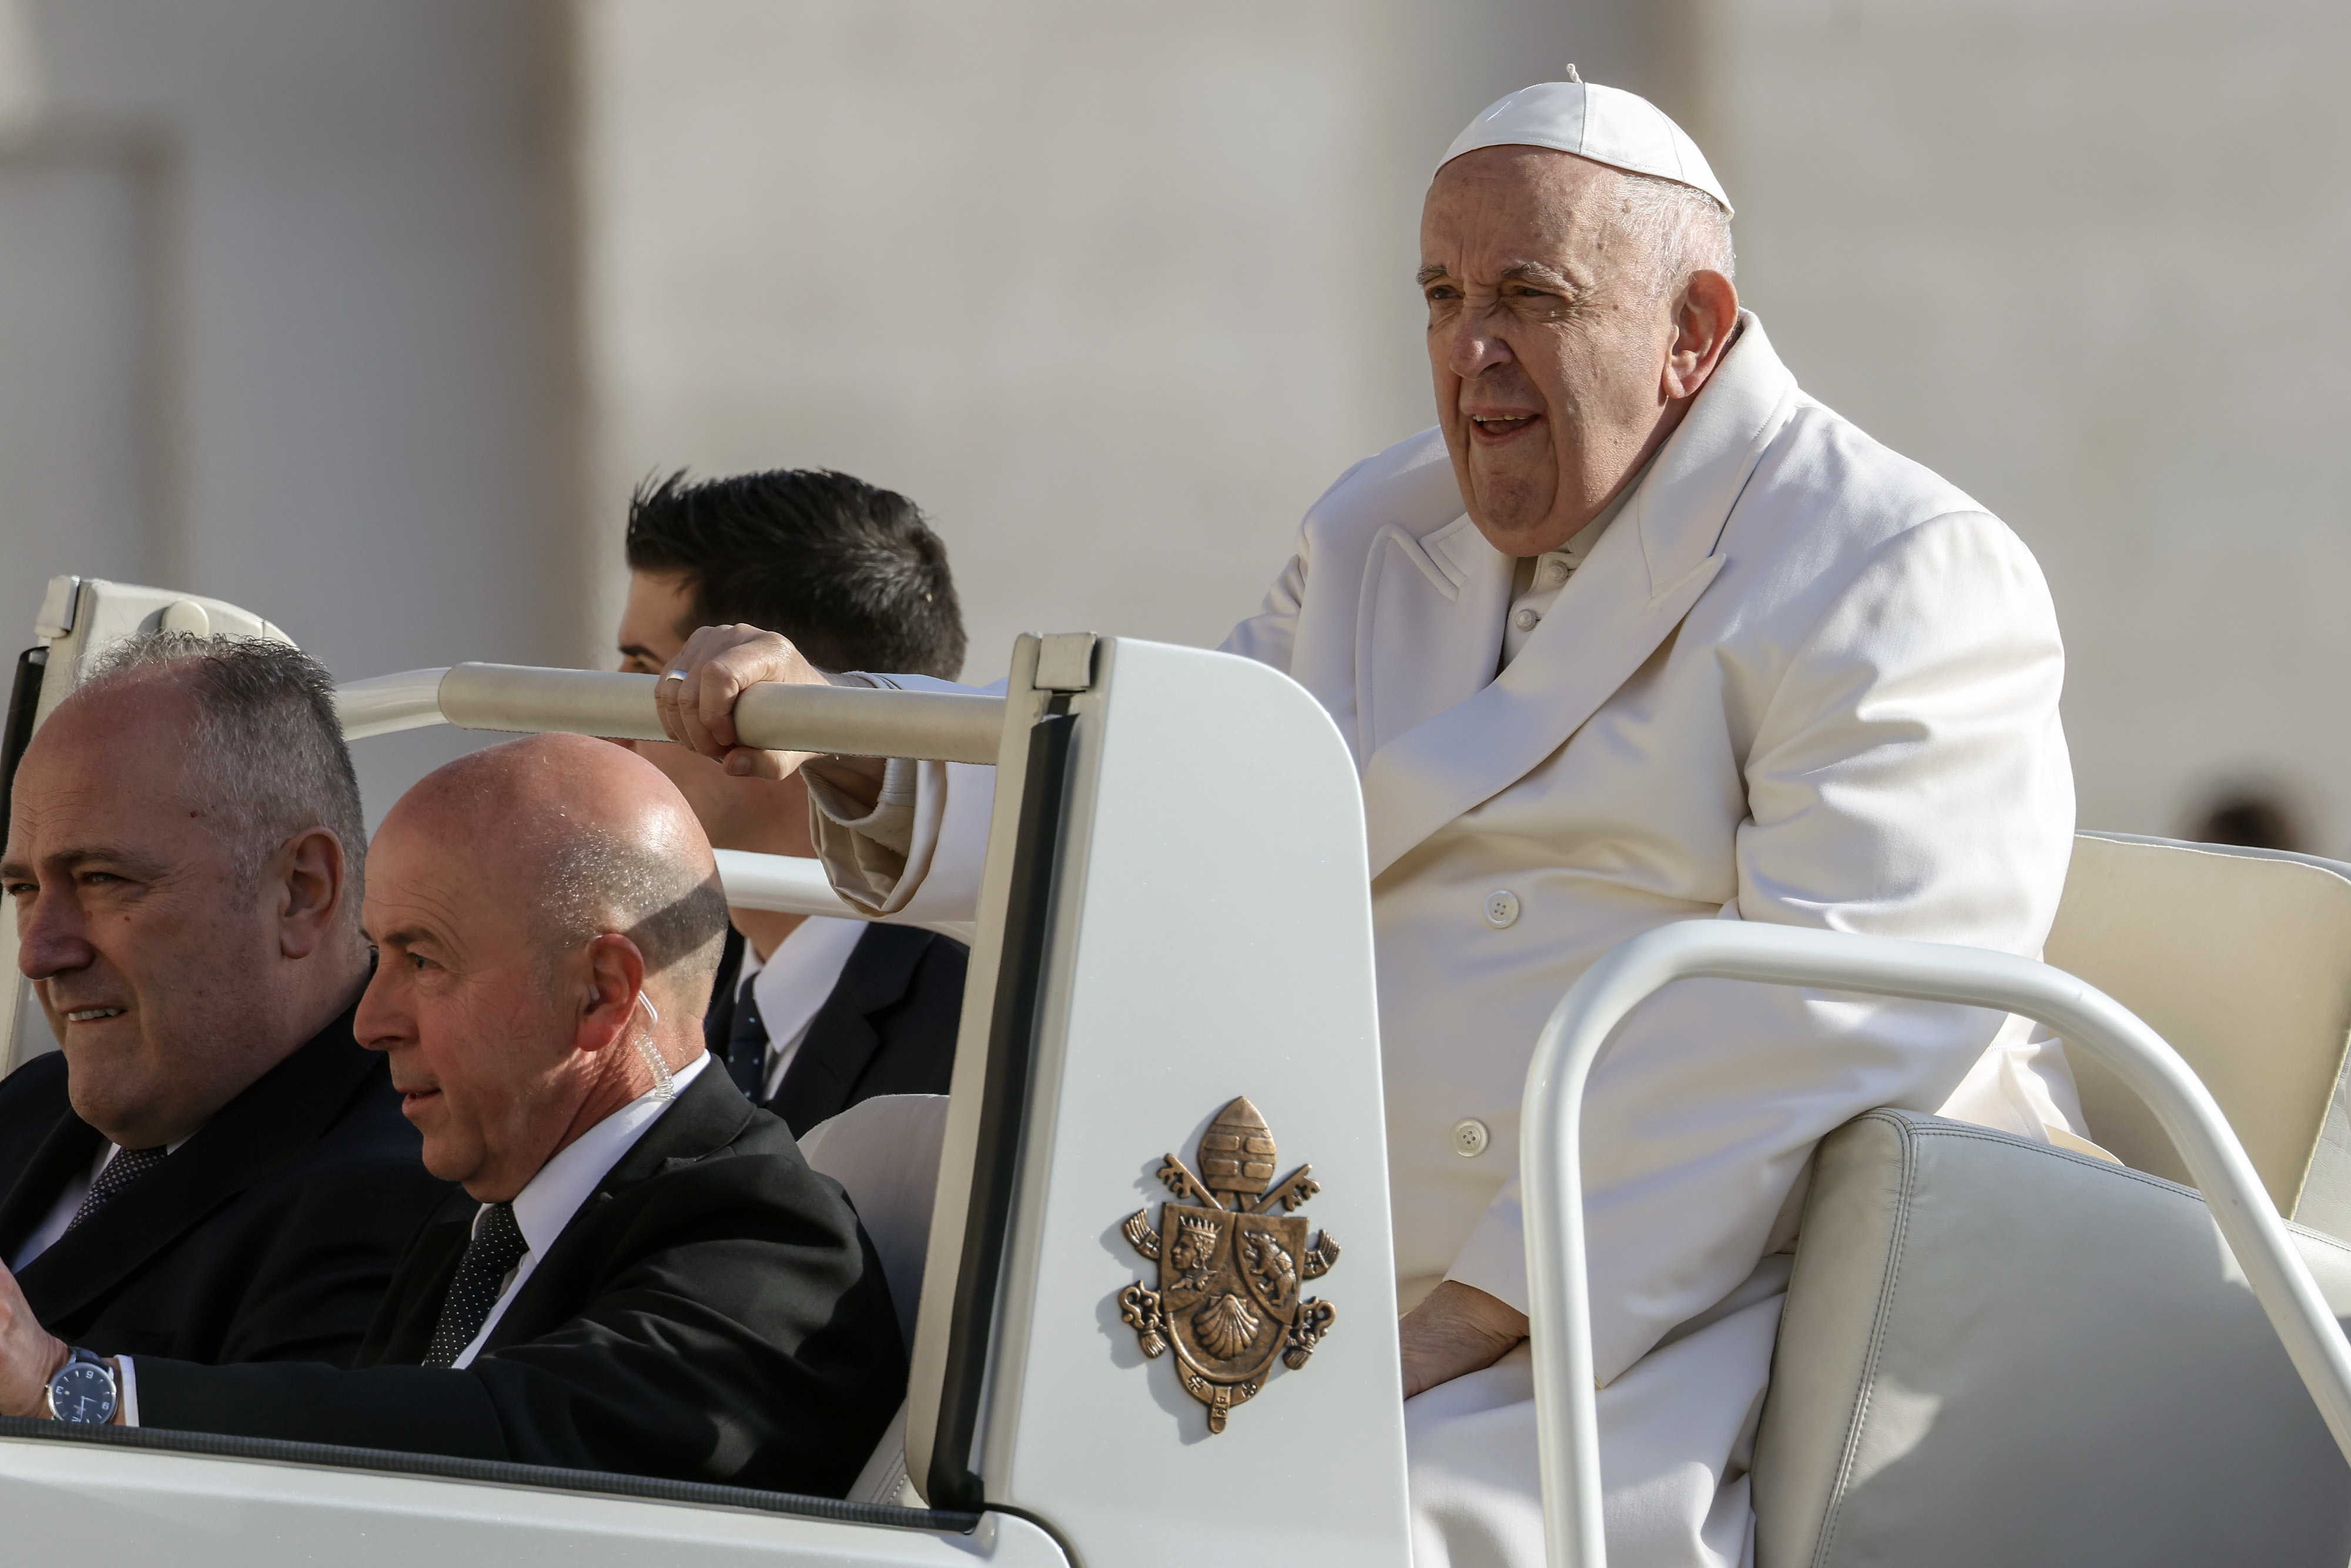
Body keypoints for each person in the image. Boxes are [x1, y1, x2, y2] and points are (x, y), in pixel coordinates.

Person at [649, 76, 2079, 1567]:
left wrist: (1472, 1307)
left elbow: (1822, 1012)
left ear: (1693, 331)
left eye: (1530, 295)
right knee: (875, 1306)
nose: (1471, 356)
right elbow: (1176, 791)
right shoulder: (1375, 531)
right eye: (1442, 295)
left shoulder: (1893, 567)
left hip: (1633, 1311)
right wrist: (854, 746)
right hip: (1310, 1246)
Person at [0, 733, 907, 1495]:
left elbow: (505, 1447)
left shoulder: (771, 1245)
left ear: (601, 992)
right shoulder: (478, 1227)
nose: (371, 1019)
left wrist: (70, 1391)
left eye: (423, 961)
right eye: (377, 955)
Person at [0, 634, 450, 1369]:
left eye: (103, 879)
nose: (39, 951)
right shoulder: (28, 1106)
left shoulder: (406, 1186)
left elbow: (269, 1477)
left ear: (302, 891)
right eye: (23, 890)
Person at [618, 468, 969, 1135]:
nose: (609, 723)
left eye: (644, 670)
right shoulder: (660, 990)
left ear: (771, 690)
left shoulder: (983, 1016)